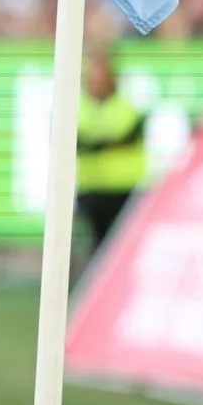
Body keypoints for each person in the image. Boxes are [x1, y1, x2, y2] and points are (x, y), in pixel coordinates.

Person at [75, 48, 147, 262]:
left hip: (124, 190)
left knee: (122, 250)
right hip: (92, 191)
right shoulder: (78, 108)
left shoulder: (127, 108)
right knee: (97, 250)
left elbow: (122, 137)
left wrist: (98, 143)